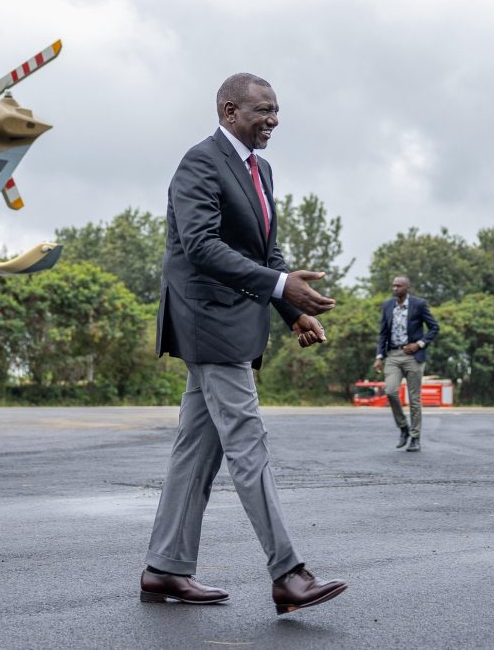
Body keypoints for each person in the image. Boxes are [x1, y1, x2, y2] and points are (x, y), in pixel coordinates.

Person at [142, 72, 347, 615]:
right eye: (262, 111)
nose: (273, 121)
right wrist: (280, 286)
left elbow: (267, 253)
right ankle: (288, 573)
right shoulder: (200, 163)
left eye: (276, 111)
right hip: (207, 324)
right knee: (248, 445)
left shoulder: (262, 170)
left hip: (235, 321)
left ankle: (164, 568)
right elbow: (200, 246)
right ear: (229, 112)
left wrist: (292, 310)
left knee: (196, 452)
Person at [373, 276, 439, 452]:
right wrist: (379, 356)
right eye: (393, 285)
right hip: (393, 354)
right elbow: (382, 333)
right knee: (390, 391)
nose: (395, 288)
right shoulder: (388, 305)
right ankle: (403, 427)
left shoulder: (419, 304)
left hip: (413, 356)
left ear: (407, 287)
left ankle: (415, 437)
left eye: (399, 286)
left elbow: (434, 327)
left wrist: (420, 344)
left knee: (414, 400)